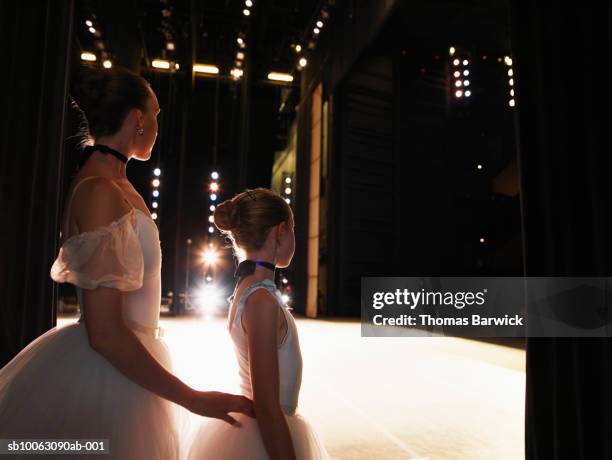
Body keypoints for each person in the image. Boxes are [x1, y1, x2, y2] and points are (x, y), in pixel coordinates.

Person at [0, 67, 253, 459]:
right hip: (107, 376)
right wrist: (192, 398)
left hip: (128, 370)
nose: (156, 126)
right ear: (138, 119)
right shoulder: (99, 190)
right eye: (156, 116)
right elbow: (104, 334)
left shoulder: (117, 184)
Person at [187, 188, 329, 460]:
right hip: (268, 435)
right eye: (294, 229)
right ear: (280, 232)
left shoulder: (247, 288)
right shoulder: (261, 299)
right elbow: (266, 405)